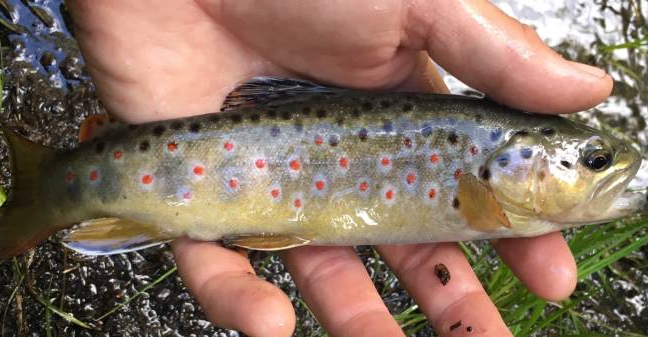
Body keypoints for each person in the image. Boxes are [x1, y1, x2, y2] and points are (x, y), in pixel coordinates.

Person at [67, 1, 612, 336]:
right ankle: (61, 186)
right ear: (514, 156)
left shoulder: (487, 172)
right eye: (595, 162)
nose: (603, 171)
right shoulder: (485, 183)